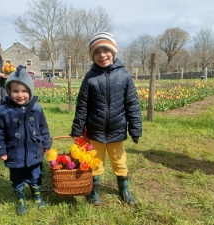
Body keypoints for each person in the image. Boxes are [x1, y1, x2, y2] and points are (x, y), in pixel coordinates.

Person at [70, 32, 142, 207]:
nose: (102, 55)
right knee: (96, 163)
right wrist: (77, 130)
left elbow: (132, 104)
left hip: (117, 129)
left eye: (106, 50)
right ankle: (93, 191)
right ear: (92, 56)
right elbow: (82, 107)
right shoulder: (90, 78)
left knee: (120, 161)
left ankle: (123, 189)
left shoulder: (124, 76)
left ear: (113, 52)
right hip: (95, 130)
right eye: (97, 52)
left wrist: (135, 128)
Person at [0, 65, 52, 215]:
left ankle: (37, 194)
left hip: (34, 150)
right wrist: (0, 151)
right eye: (15, 91)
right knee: (17, 177)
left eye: (24, 91)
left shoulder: (37, 109)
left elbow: (43, 128)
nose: (20, 95)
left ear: (30, 92)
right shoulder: (2, 111)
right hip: (14, 151)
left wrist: (46, 143)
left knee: (36, 175)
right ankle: (20, 197)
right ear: (9, 91)